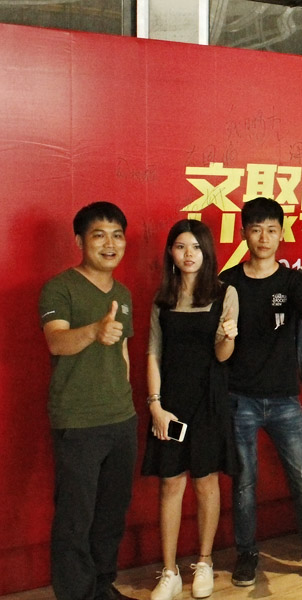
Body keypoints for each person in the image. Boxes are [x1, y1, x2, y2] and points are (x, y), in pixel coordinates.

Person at [219, 197, 302, 588]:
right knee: (244, 484)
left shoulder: (292, 280)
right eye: (256, 230)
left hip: (285, 399)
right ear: (244, 234)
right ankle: (246, 555)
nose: (264, 238)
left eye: (272, 230)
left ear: (281, 234)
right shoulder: (228, 281)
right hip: (239, 399)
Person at [39, 202, 138, 600]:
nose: (110, 244)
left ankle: (101, 587)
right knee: (75, 519)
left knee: (111, 514)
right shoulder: (60, 287)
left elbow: (124, 353)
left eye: (117, 235)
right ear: (80, 241)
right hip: (78, 421)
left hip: (121, 419)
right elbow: (55, 341)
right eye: (99, 235)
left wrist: (127, 401)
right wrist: (94, 331)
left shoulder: (123, 293)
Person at [142, 220, 238, 600]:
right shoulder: (162, 299)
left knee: (205, 481)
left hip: (209, 400)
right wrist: (155, 406)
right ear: (171, 252)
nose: (189, 254)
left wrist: (228, 338)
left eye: (196, 247)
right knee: (170, 483)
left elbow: (223, 355)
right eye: (181, 246)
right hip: (171, 402)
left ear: (207, 252)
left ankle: (205, 561)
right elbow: (153, 354)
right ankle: (169, 571)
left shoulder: (224, 293)